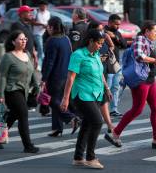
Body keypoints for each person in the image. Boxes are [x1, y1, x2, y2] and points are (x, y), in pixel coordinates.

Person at [105, 20, 156, 149]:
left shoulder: (148, 41)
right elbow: (139, 56)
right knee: (137, 109)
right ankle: (115, 133)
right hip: (141, 80)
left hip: (149, 79)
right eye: (155, 31)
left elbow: (148, 57)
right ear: (147, 31)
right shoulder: (140, 39)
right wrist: (155, 60)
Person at [60, 29, 112, 169]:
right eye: (99, 43)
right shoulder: (78, 55)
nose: (101, 46)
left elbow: (100, 73)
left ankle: (78, 157)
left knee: (87, 124)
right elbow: (70, 78)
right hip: (82, 94)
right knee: (97, 121)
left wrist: (106, 88)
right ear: (90, 41)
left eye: (102, 43)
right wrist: (65, 98)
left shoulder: (95, 54)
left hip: (96, 94)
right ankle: (90, 157)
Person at [0, 30, 40, 153]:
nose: (24, 41)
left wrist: (36, 85)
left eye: (25, 39)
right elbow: (3, 76)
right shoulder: (8, 57)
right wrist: (0, 96)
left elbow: (31, 72)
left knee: (13, 115)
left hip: (24, 91)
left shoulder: (27, 54)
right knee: (23, 115)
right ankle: (28, 145)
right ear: (13, 41)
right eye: (21, 39)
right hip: (11, 91)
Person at [41, 17, 80, 137]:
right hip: (66, 74)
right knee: (59, 99)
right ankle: (57, 128)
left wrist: (44, 78)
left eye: (48, 26)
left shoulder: (52, 41)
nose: (47, 28)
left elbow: (49, 62)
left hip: (55, 77)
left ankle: (71, 118)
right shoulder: (66, 38)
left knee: (53, 101)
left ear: (52, 27)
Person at [87, 21, 116, 132]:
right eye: (99, 29)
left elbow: (111, 47)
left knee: (104, 100)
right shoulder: (88, 45)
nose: (102, 32)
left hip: (101, 73)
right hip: (89, 77)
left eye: (102, 29)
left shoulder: (103, 38)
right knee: (93, 103)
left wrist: (108, 53)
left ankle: (109, 125)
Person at [104, 14, 127, 117]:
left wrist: (115, 37)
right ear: (109, 23)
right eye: (116, 24)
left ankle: (114, 109)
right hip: (106, 64)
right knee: (106, 88)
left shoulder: (117, 33)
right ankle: (103, 109)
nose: (118, 26)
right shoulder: (103, 31)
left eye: (119, 24)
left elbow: (124, 44)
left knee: (116, 87)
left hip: (116, 64)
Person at [33, 0, 50, 71]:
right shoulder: (36, 12)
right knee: (40, 49)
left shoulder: (48, 13)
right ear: (40, 6)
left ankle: (39, 63)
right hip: (37, 33)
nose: (44, 7)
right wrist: (42, 24)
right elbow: (32, 22)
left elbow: (48, 21)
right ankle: (41, 65)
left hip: (45, 33)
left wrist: (47, 26)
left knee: (44, 49)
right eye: (42, 6)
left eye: (45, 6)